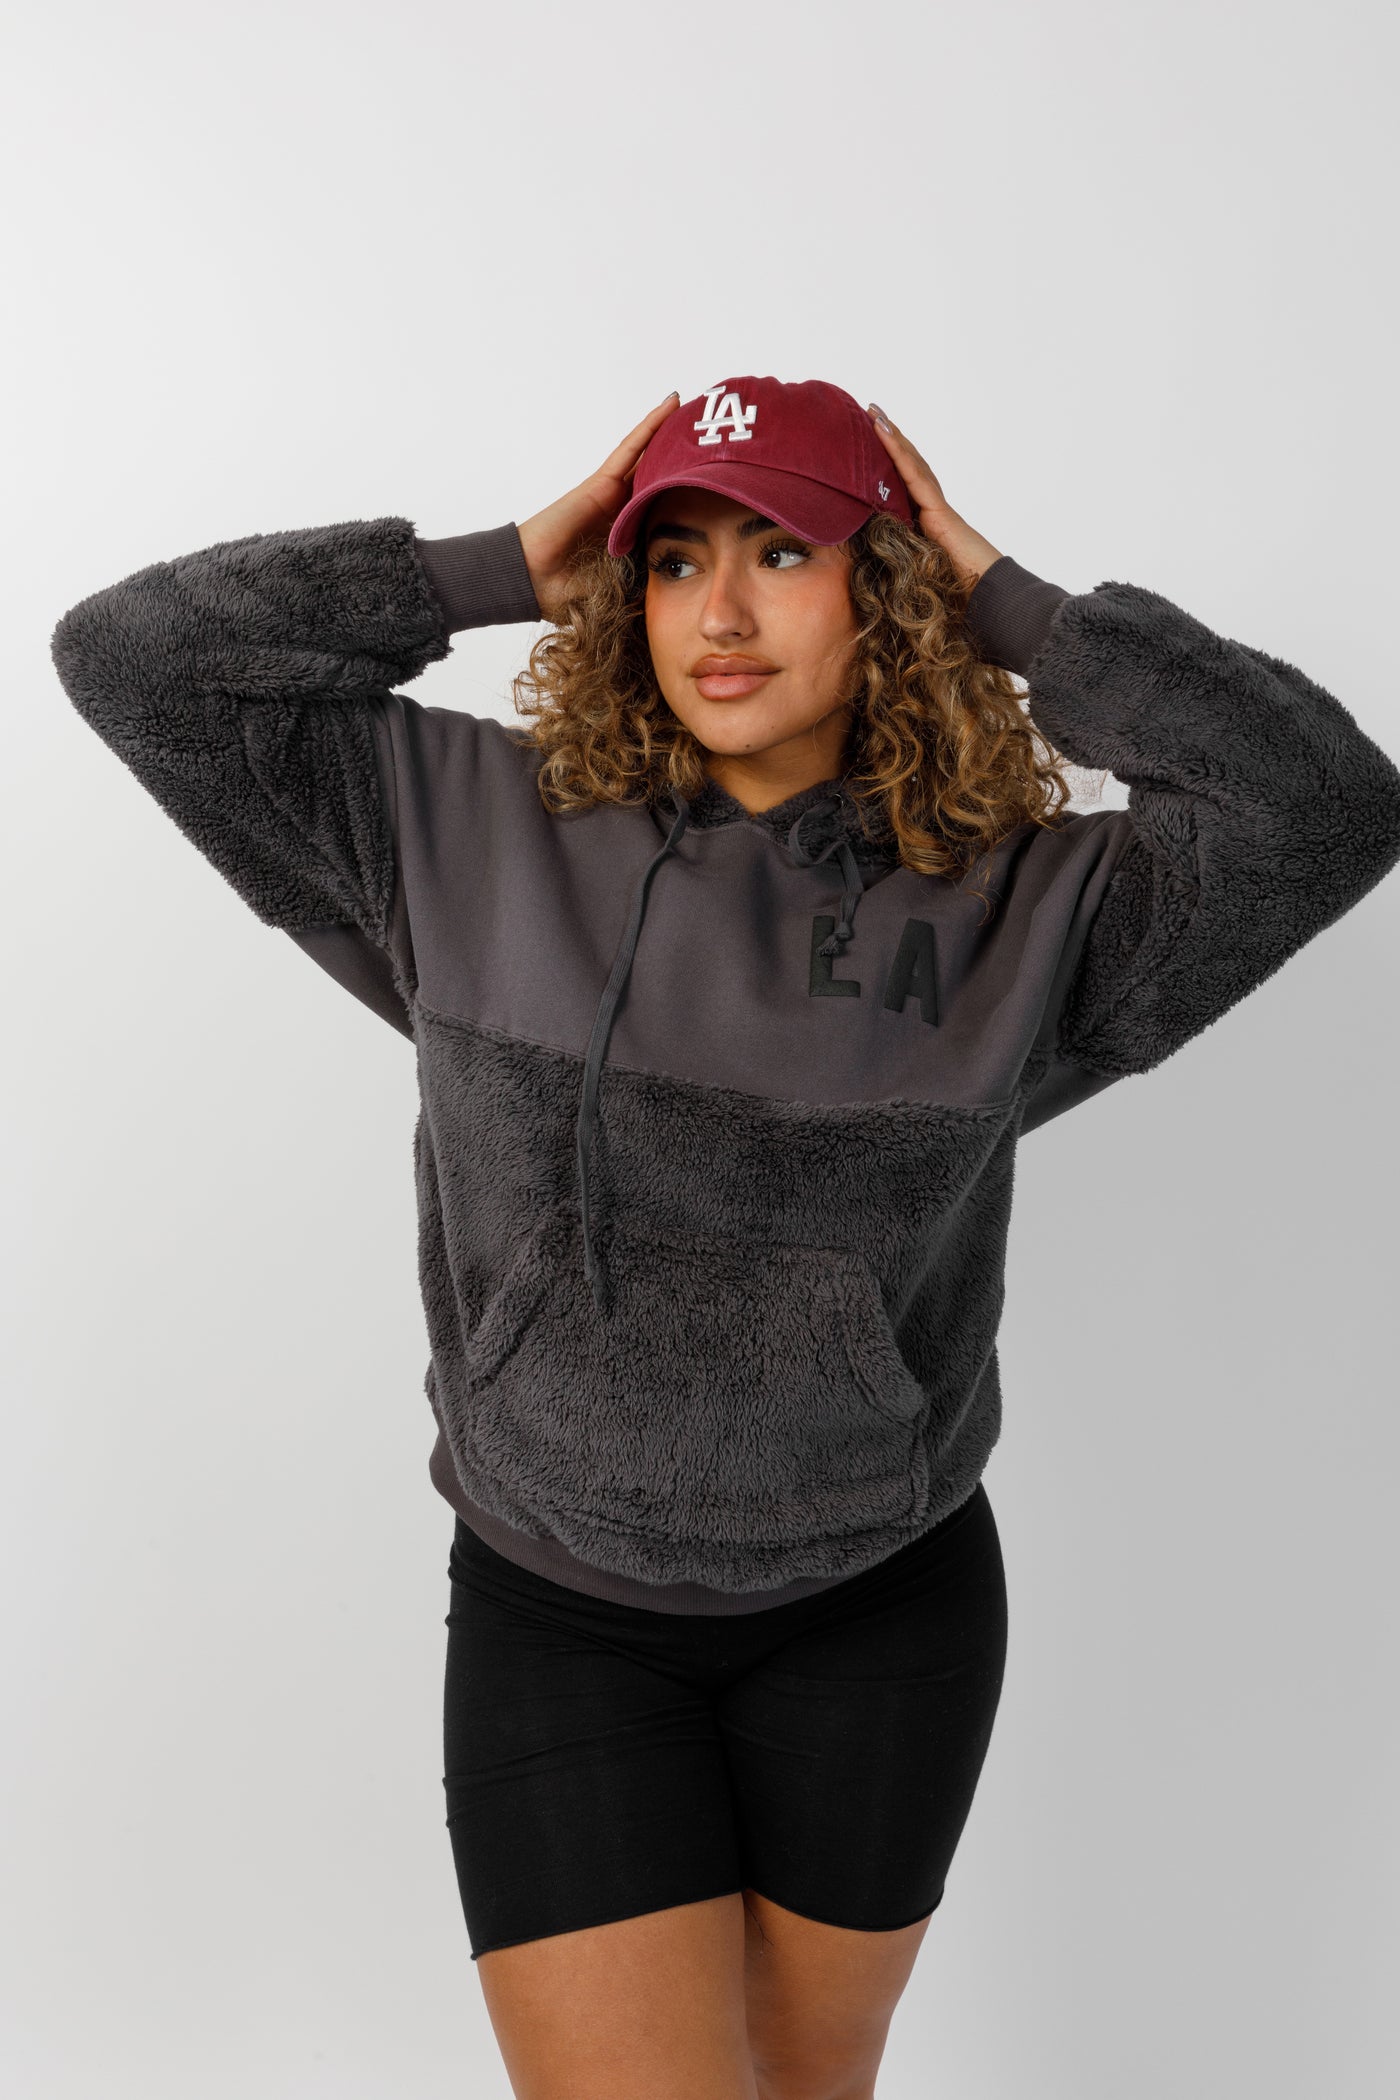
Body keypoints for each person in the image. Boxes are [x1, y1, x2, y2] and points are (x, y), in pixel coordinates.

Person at [50, 376, 1400, 2100]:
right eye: (676, 560)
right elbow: (133, 658)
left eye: (784, 552)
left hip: (881, 1609)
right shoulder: (450, 825)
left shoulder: (1024, 903)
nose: (722, 614)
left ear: (886, 589)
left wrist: (1009, 604)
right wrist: (495, 564)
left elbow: (1325, 807)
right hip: (561, 1610)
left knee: (805, 2087)